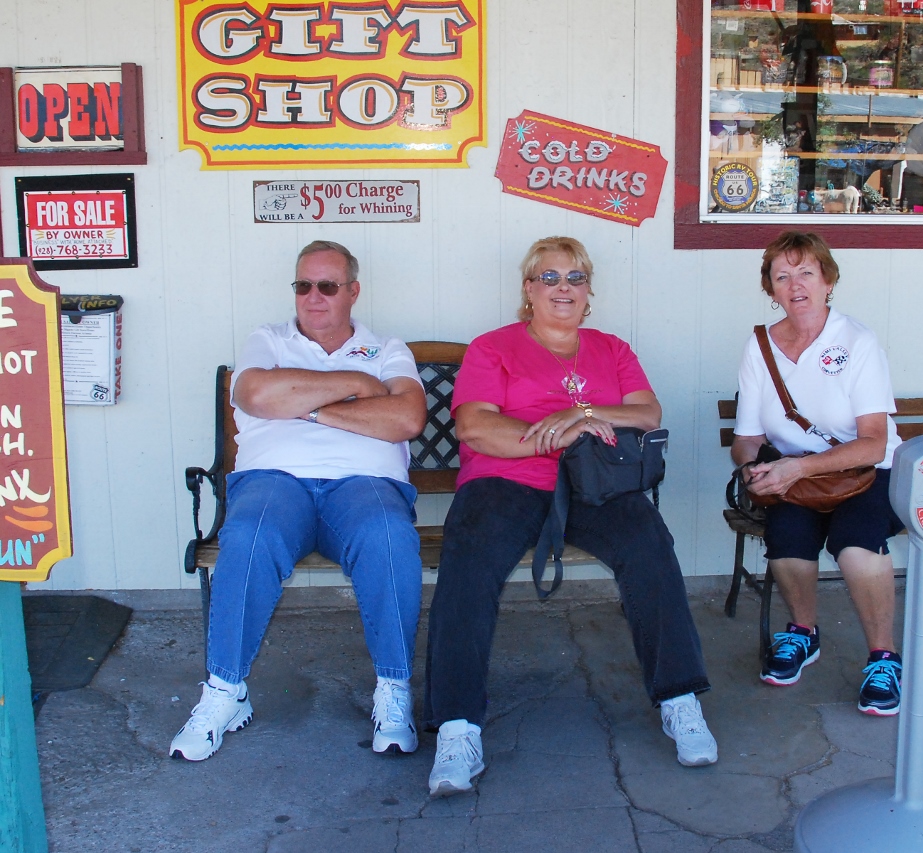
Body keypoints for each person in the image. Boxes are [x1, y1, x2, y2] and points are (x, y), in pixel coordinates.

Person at [423, 236, 717, 796]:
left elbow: (646, 410)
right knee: (468, 563)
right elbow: (476, 427)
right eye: (549, 277)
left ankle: (679, 700)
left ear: (589, 292)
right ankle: (457, 727)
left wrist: (578, 414)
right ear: (528, 289)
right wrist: (557, 438)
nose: (563, 288)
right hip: (505, 482)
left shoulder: (610, 348)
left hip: (594, 485)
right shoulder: (494, 348)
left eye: (575, 278)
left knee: (649, 545)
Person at [170, 240, 428, 761]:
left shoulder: (388, 349)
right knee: (246, 536)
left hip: (363, 485)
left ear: (352, 292)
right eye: (303, 286)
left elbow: (405, 419)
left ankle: (394, 690)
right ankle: (225, 691)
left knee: (389, 535)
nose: (313, 297)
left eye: (327, 286)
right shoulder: (268, 339)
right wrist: (354, 386)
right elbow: (256, 396)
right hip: (275, 481)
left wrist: (308, 408)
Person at [730, 231, 905, 716]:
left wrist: (796, 467)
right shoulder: (760, 345)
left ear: (828, 280)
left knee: (855, 544)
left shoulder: (857, 341)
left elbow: (873, 440)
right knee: (786, 539)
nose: (795, 285)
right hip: (795, 478)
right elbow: (746, 437)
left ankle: (884, 657)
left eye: (806, 272)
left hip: (866, 470)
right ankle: (803, 634)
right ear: (770, 289)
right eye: (782, 276)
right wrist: (752, 470)